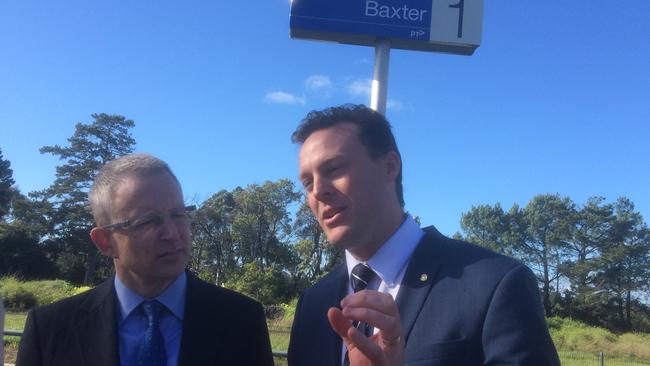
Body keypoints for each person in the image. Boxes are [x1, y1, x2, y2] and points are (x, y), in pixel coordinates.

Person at [287, 104, 560, 366]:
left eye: (333, 169)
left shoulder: (495, 285)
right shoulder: (313, 303)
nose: (317, 191)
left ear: (390, 166)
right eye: (307, 182)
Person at [16, 153, 274, 366]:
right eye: (149, 220)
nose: (172, 234)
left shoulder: (242, 320)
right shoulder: (51, 329)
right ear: (105, 241)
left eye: (178, 214)